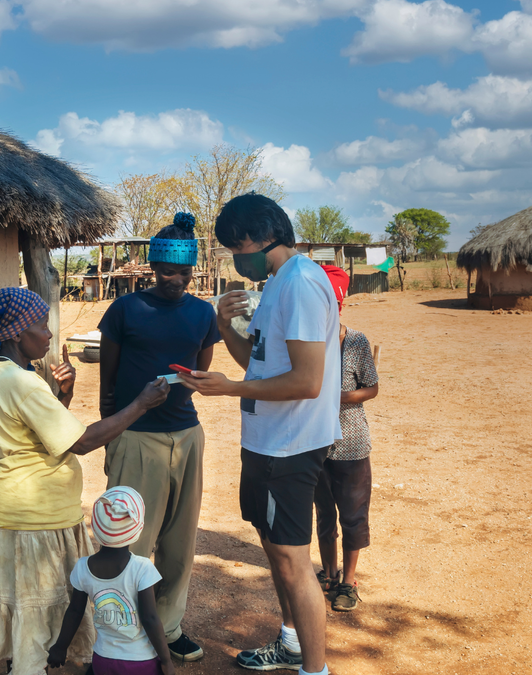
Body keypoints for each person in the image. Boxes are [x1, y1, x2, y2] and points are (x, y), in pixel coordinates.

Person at [0, 287, 170, 675]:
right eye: (41, 326)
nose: (49, 334)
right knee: (37, 622)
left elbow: (41, 437)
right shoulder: (22, 383)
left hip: (15, 513)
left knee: (28, 617)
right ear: (17, 334)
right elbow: (82, 442)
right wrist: (140, 405)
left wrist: (63, 396)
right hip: (34, 518)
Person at [179, 194, 341, 675]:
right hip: (266, 441)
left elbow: (307, 382)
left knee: (292, 561)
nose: (235, 258)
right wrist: (223, 324)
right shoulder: (276, 284)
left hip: (289, 446)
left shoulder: (301, 284)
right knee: (275, 550)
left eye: (236, 248)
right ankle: (291, 643)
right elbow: (258, 362)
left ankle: (315, 670)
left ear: (260, 238)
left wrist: (230, 389)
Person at [98, 212, 220, 662]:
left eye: (185, 272)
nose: (177, 280)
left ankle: (167, 627)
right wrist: (114, 430)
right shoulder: (126, 310)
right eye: (168, 271)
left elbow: (201, 369)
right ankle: (120, 635)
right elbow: (107, 377)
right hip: (135, 437)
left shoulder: (202, 313)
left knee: (179, 540)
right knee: (128, 542)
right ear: (153, 267)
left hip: (186, 435)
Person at [48, 487, 176, 675]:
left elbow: (75, 611)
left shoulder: (83, 567)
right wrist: (166, 660)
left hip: (103, 660)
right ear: (137, 529)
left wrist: (60, 647)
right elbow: (150, 618)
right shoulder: (141, 568)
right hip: (141, 662)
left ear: (96, 528)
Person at [313, 270, 380, 611]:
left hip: (351, 444)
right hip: (315, 444)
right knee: (324, 515)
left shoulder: (355, 342)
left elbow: (372, 387)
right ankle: (329, 573)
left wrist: (338, 398)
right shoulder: (306, 344)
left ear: (338, 305)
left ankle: (348, 581)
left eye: (331, 305)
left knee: (352, 516)